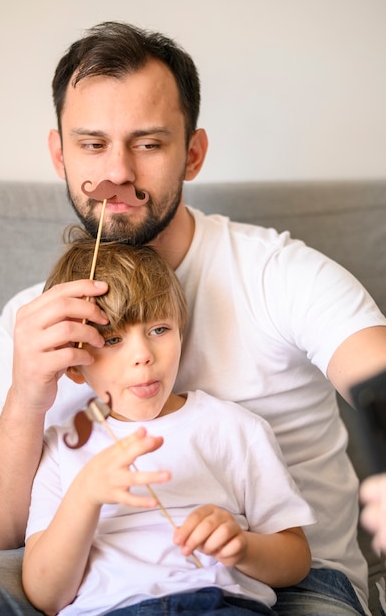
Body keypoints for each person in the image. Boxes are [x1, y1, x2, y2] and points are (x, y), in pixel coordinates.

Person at [0, 20, 386, 616]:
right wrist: (27, 398)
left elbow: (377, 376)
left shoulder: (278, 273)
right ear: (60, 153)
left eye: (147, 143)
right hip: (99, 587)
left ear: (192, 154)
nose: (117, 174)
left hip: (287, 585)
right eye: (92, 144)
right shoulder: (27, 319)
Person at [22, 234, 314, 615]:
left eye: (159, 330)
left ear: (181, 331)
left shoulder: (235, 429)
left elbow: (295, 559)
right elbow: (46, 596)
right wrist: (85, 496)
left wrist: (243, 546)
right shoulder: (62, 449)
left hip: (220, 604)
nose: (143, 355)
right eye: (112, 339)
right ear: (73, 366)